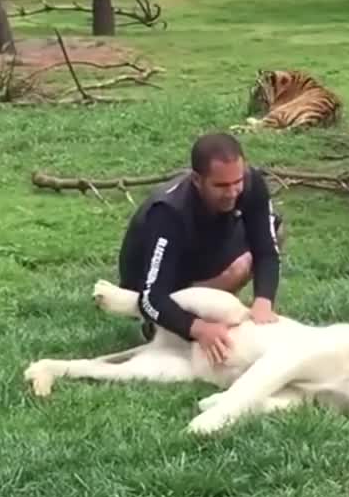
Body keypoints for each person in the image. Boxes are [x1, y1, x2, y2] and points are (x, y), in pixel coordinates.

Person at [117, 133, 285, 365]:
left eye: (237, 182)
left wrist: (263, 302)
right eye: (221, 185)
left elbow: (266, 250)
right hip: (161, 281)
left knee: (273, 229)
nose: (233, 192)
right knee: (168, 306)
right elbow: (150, 298)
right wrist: (198, 328)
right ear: (197, 180)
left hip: (203, 252)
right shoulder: (168, 212)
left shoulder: (251, 183)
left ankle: (210, 311)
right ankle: (160, 327)